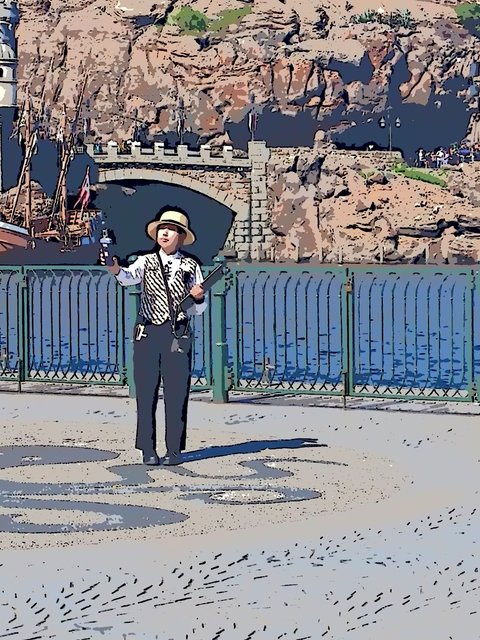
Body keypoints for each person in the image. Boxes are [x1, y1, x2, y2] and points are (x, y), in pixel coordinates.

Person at [101, 207, 206, 466]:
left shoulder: (190, 265)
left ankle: (174, 449)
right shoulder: (145, 261)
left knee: (177, 392)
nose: (165, 233)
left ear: (181, 237)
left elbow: (200, 309)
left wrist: (198, 298)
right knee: (146, 392)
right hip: (148, 331)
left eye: (171, 230)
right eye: (162, 229)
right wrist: (115, 268)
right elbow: (128, 277)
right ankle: (147, 448)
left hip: (177, 332)